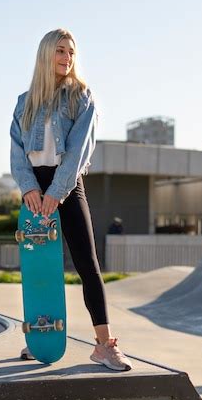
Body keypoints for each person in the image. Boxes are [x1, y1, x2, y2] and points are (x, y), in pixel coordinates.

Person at [10, 28, 132, 371]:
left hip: (66, 185)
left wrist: (56, 192)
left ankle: (104, 346)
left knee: (87, 265)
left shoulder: (82, 97)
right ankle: (41, 338)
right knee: (39, 269)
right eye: (60, 51)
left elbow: (79, 151)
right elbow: (17, 151)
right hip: (34, 188)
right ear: (46, 53)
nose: (67, 58)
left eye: (72, 52)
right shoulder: (25, 101)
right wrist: (30, 188)